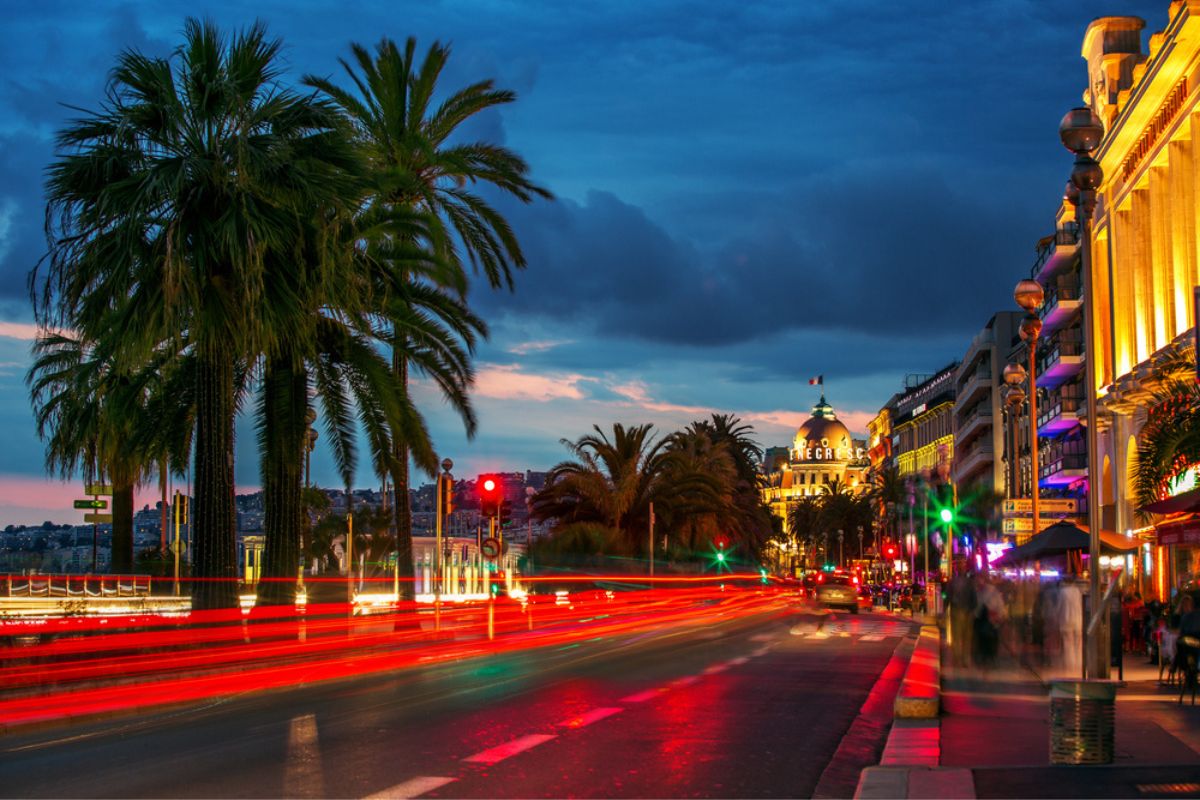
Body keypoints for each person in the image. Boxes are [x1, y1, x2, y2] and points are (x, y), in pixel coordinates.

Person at [949, 571, 977, 668]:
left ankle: (961, 659)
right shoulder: (956, 582)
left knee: (962, 637)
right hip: (961, 611)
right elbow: (948, 596)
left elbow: (947, 596)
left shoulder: (955, 582)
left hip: (964, 612)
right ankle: (961, 659)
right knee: (963, 637)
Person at [1058, 578, 1083, 678]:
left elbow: (1060, 607)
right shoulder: (1077, 591)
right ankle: (1079, 663)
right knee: (1079, 643)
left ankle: (1070, 664)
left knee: (1068, 643)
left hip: (1066, 619)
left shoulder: (1062, 592)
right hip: (1078, 619)